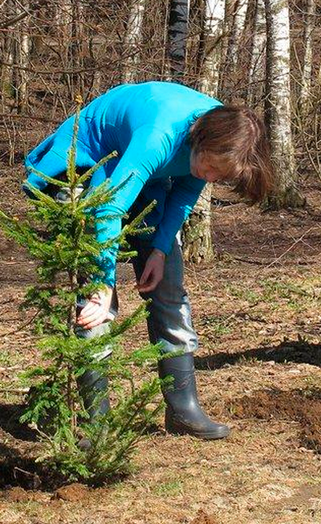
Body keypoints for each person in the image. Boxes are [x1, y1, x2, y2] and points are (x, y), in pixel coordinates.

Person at [24, 81, 272, 440]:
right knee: (95, 303)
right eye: (211, 167)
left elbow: (187, 191)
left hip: (145, 180)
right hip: (91, 162)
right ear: (200, 141)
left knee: (169, 285)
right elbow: (109, 208)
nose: (212, 178)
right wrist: (103, 284)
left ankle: (183, 410)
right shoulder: (160, 136)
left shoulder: (227, 132)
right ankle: (97, 424)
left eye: (221, 176)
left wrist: (157, 249)